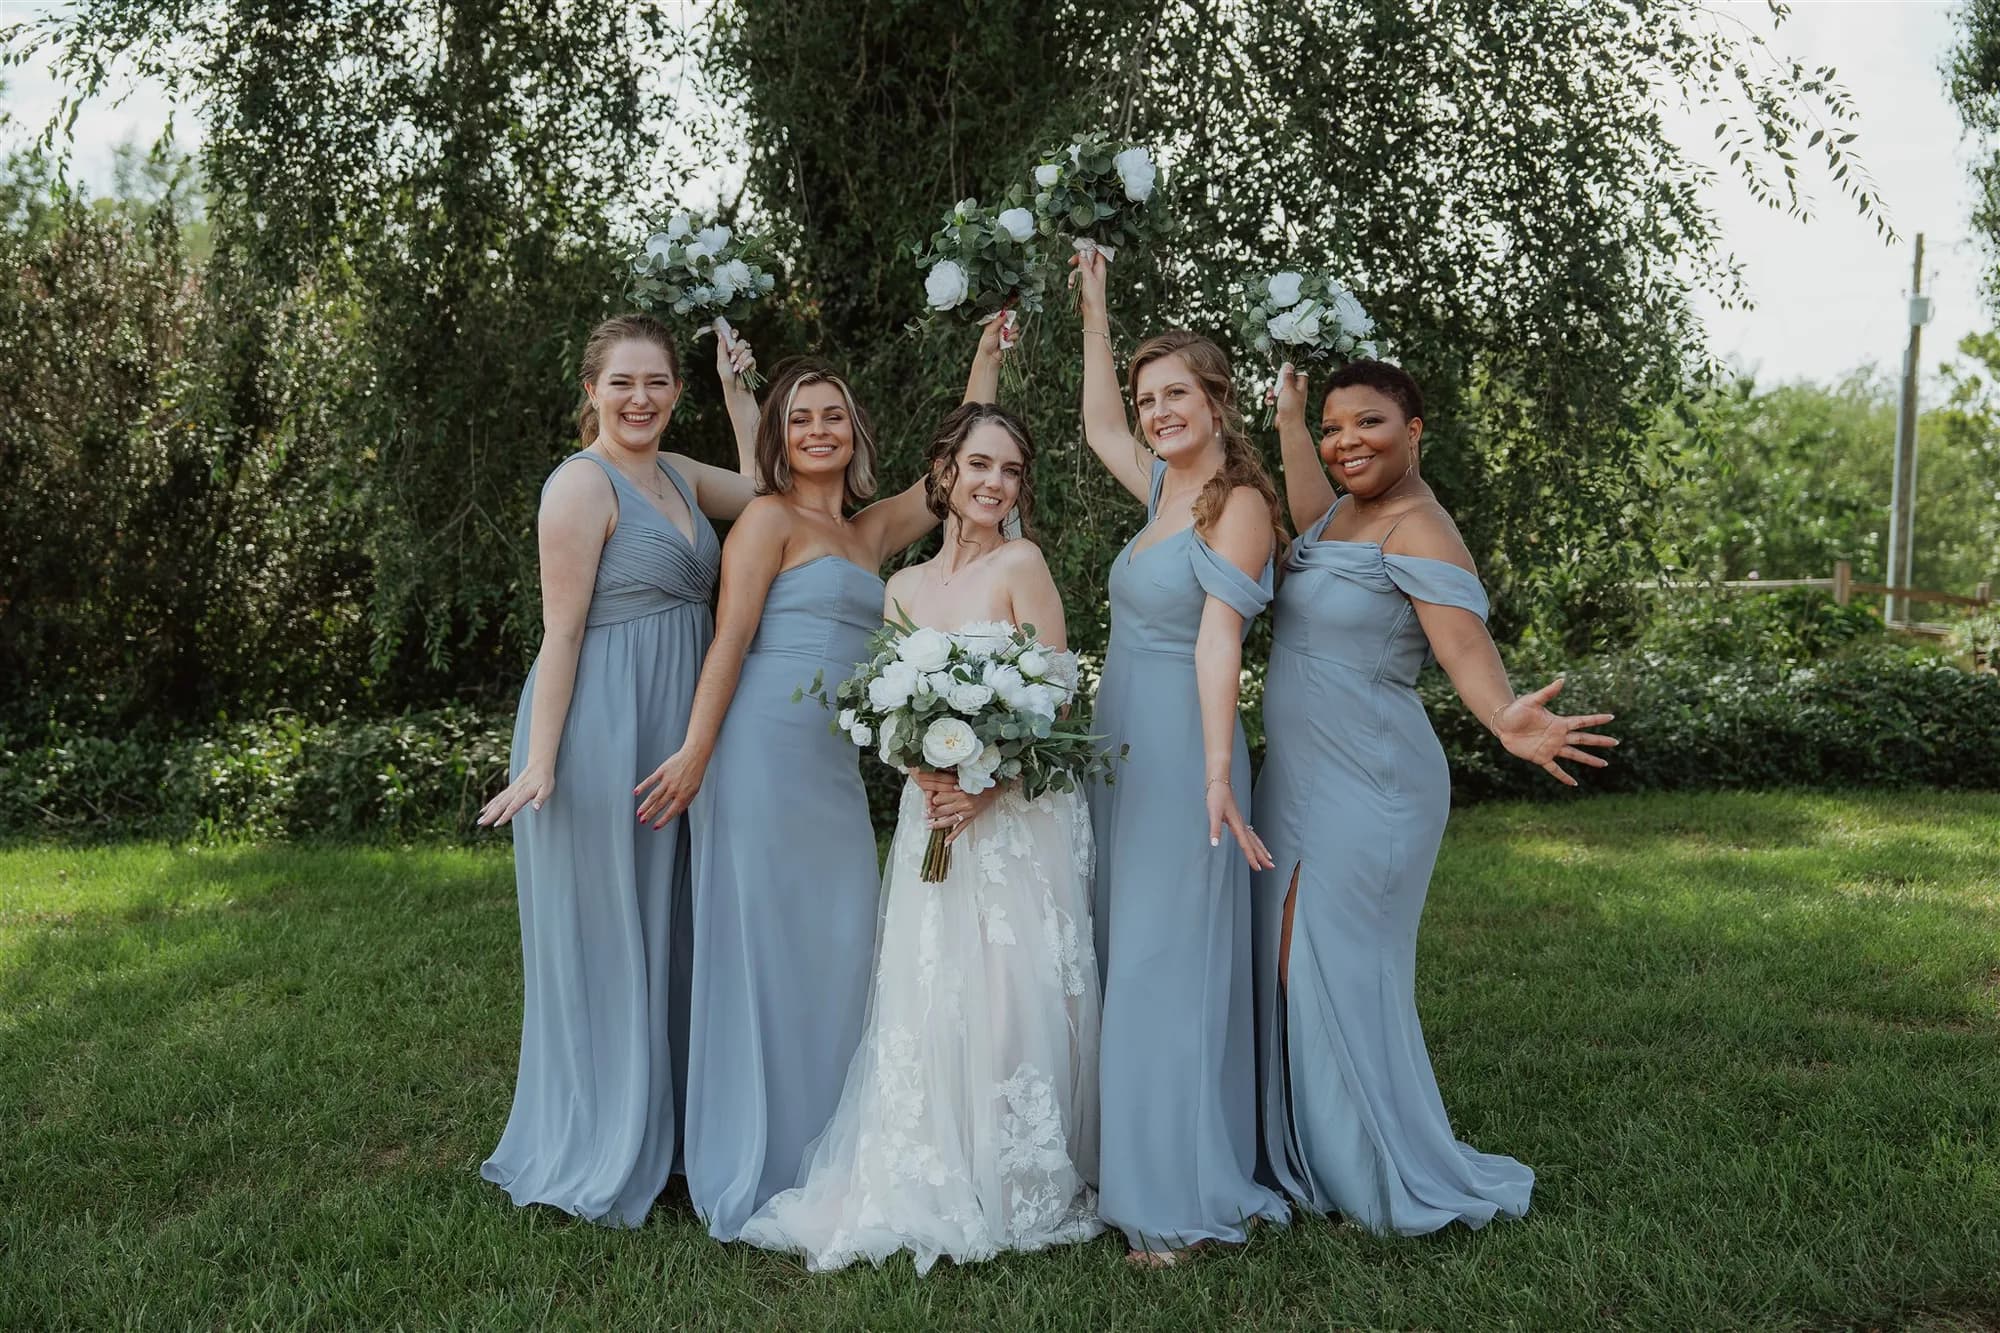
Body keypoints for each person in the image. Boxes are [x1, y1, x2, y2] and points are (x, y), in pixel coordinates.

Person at [634, 323, 1007, 1241]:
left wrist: (988, 360)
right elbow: (729, 639)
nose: (817, 429)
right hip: (756, 755)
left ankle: (835, 1149)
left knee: (843, 940)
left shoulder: (867, 530)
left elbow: (956, 465)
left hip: (832, 768)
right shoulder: (766, 519)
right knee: (764, 948)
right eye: (800, 417)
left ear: (854, 430)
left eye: (832, 415)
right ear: (779, 434)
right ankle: (758, 1154)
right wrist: (696, 750)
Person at [1252, 358, 1617, 1234]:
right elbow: (1310, 523)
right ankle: (1318, 1154)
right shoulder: (1343, 513)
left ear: (1414, 431)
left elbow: (1462, 647)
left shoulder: (1419, 527)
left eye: (1368, 423)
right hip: (1299, 777)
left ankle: (1379, 1172)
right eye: (1335, 428)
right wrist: (1292, 422)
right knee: (1291, 962)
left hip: (1370, 781)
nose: (1347, 442)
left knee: (1336, 970)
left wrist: (1503, 716)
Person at [738, 401, 1102, 1272]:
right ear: (944, 473)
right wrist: (925, 768)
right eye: (979, 464)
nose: (994, 483)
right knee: (934, 986)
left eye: (1010, 470)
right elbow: (890, 711)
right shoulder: (900, 588)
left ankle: (1017, 1173)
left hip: (1014, 815)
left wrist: (988, 784)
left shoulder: (1022, 564)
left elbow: (1058, 703)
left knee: (1010, 990)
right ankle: (935, 1159)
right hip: (931, 810)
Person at [476, 315, 759, 1226]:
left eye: (657, 382)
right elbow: (561, 634)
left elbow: (764, 488)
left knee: (670, 924)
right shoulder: (579, 485)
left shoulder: (679, 474)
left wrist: (739, 391)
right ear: (591, 390)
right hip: (600, 727)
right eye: (623, 382)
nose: (641, 399)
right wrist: (543, 760)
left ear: (676, 391)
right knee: (608, 932)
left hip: (678, 725)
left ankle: (666, 1137)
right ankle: (600, 1140)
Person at [1070, 250, 1292, 1264]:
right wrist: (1095, 304)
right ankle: (1129, 1162)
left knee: (1169, 960)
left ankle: (1177, 1195)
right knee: (1127, 948)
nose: (1156, 412)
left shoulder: (1235, 503)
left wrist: (1213, 770)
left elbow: (1217, 643)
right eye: (1148, 398)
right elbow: (1096, 426)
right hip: (1121, 740)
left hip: (1182, 746)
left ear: (1216, 400)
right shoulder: (1163, 485)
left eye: (1175, 395)